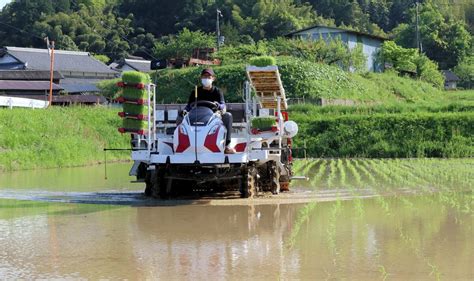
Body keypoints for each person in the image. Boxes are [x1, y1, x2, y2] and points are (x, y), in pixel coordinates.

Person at [183, 68, 235, 154]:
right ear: (201, 78)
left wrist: (219, 106)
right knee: (180, 117)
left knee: (228, 116)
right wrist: (184, 111)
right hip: (196, 116)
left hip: (213, 117)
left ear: (213, 78)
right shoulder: (195, 91)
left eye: (208, 76)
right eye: (204, 76)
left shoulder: (217, 91)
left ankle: (227, 146)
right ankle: (180, 145)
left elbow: (223, 105)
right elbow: (189, 106)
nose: (206, 78)